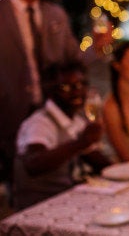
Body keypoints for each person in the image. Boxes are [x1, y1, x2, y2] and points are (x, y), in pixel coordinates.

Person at [0, 0, 80, 194]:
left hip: (49, 112)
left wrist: (98, 48)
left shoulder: (55, 15)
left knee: (47, 182)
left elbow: (73, 62)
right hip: (7, 112)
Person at [12, 61, 111, 210]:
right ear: (50, 91)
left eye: (81, 85)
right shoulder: (40, 123)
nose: (77, 92)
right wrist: (80, 143)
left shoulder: (76, 120)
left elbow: (96, 160)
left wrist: (127, 172)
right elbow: (33, 164)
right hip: (39, 207)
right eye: (66, 87)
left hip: (69, 199)